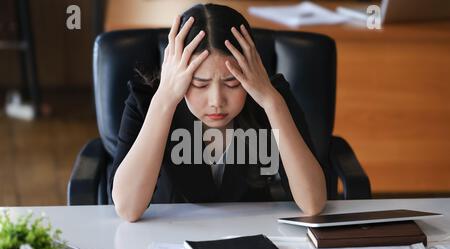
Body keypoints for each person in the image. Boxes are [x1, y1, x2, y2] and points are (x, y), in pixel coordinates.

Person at [110, 4, 326, 222]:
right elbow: (128, 209)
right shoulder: (147, 102)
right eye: (200, 84)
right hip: (171, 238)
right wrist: (164, 100)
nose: (216, 101)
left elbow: (312, 203)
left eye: (232, 83)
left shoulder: (270, 99)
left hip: (252, 234)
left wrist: (272, 103)